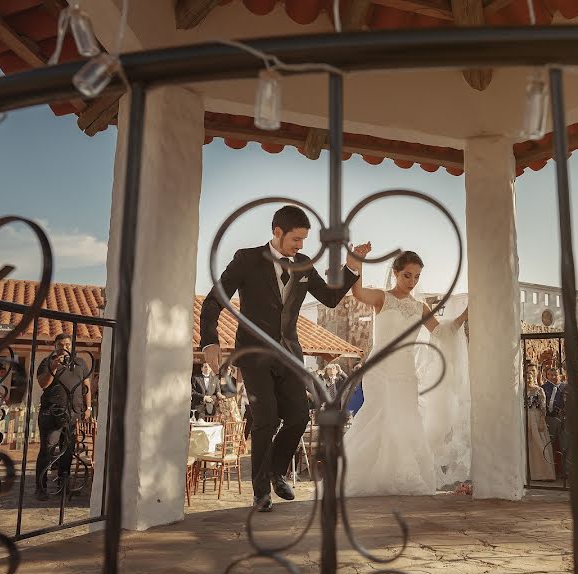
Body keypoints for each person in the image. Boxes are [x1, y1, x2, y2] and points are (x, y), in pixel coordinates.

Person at [199, 205, 368, 512]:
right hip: (254, 355)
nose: (301, 246)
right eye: (296, 239)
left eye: (304, 240)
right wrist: (210, 341)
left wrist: (352, 267)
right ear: (277, 231)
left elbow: (330, 298)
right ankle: (261, 491)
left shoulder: (303, 265)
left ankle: (276, 471)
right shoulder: (246, 259)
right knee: (266, 419)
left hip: (290, 355)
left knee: (298, 417)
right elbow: (214, 301)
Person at [344, 250, 469, 496]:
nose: (412, 282)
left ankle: (400, 476)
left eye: (417, 277)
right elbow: (357, 292)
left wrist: (466, 313)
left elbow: (441, 332)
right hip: (379, 369)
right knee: (379, 416)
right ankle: (365, 477)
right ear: (395, 273)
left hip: (405, 372)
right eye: (407, 276)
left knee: (405, 421)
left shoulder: (419, 307)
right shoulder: (382, 298)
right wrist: (358, 263)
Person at [35, 333, 92, 501]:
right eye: (60, 345)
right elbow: (43, 384)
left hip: (73, 414)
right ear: (55, 346)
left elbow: (86, 386)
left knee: (68, 450)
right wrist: (53, 367)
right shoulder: (47, 362)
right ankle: (41, 487)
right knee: (48, 449)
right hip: (51, 413)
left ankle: (63, 485)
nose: (64, 348)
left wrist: (87, 407)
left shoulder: (80, 363)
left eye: (67, 344)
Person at [524, 365, 556, 481]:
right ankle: (529, 473)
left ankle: (544, 473)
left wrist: (542, 421)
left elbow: (543, 407)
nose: (528, 380)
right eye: (526, 378)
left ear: (534, 378)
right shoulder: (522, 391)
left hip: (537, 418)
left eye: (530, 378)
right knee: (528, 445)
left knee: (540, 444)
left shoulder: (539, 390)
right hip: (525, 418)